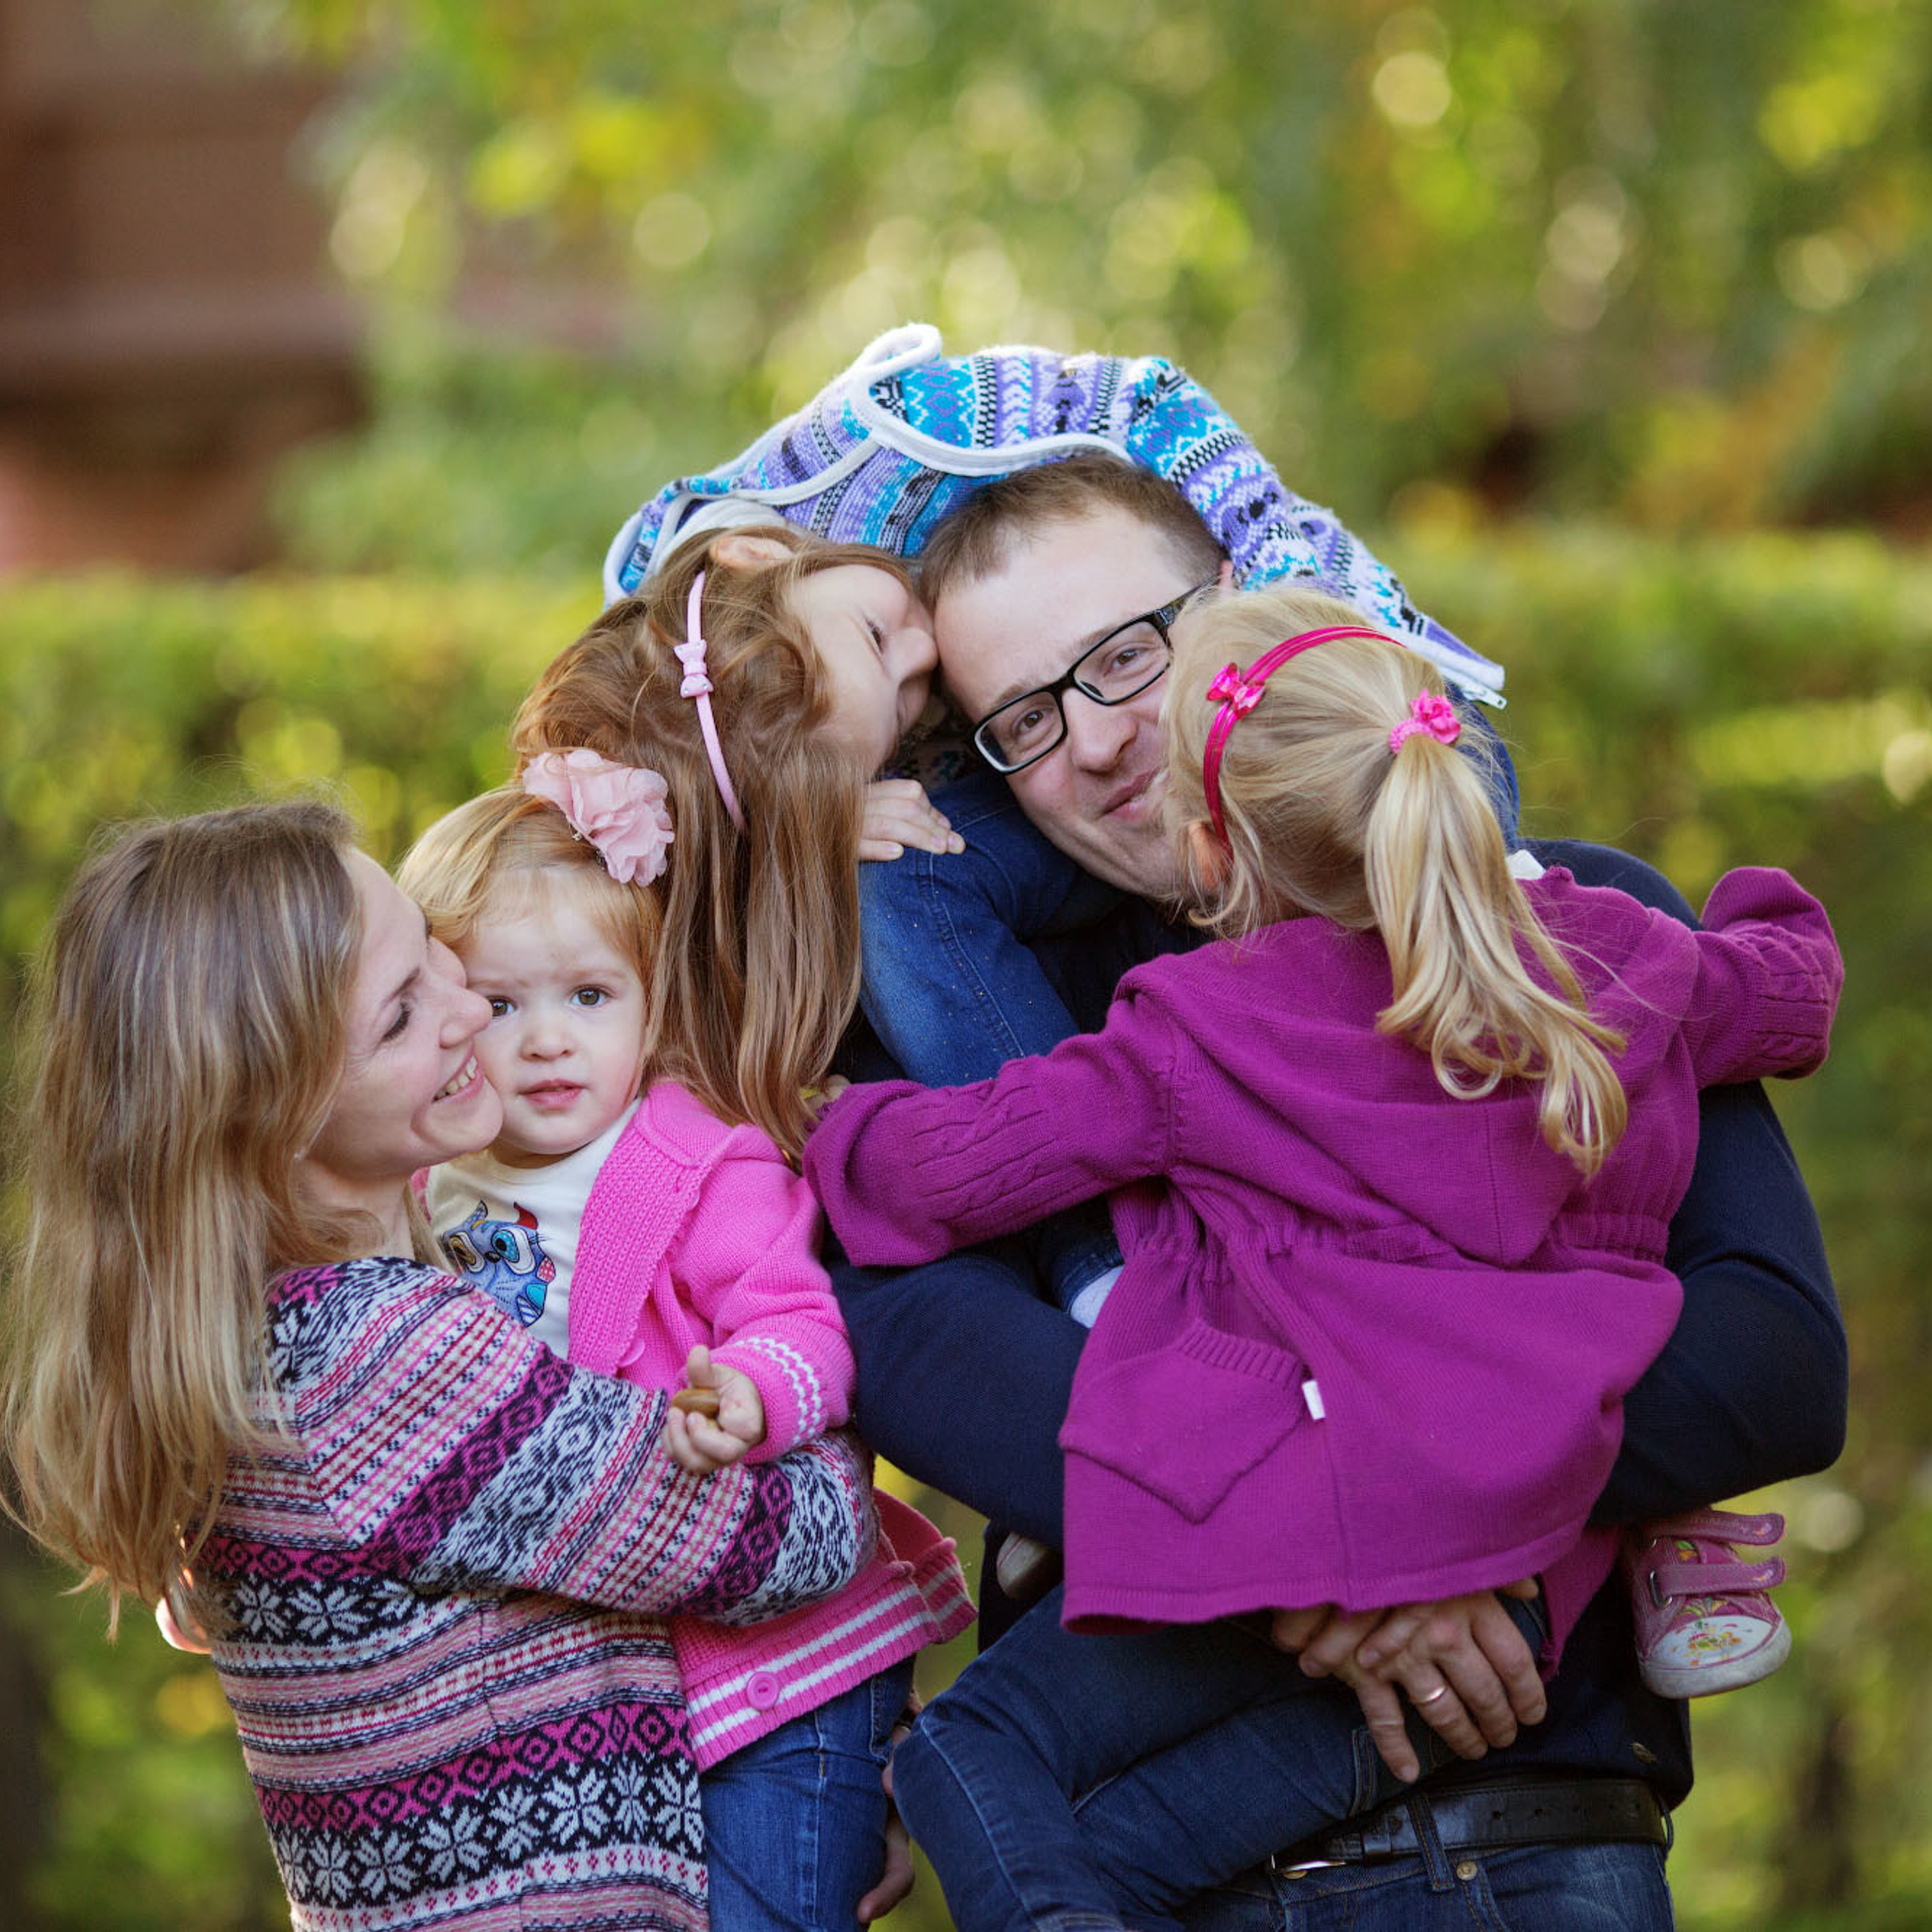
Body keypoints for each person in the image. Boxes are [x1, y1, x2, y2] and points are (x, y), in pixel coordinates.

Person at [825, 451, 1845, 1930]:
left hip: (1528, 1840)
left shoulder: (1559, 910)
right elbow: (897, 1329)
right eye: (1025, 719)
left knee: (978, 1769)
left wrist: (1338, 1500)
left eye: (1126, 651)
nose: (1104, 737)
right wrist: (1318, 1551)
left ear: (1243, 607)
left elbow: (1769, 1363)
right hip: (1178, 1866)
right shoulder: (998, 1012)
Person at [0, 798, 883, 1932]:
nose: (475, 1010)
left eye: (433, 954)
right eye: (406, 1012)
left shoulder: (239, 1337)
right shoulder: (384, 1355)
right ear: (279, 1108)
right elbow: (792, 1540)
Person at [395, 766, 973, 1932]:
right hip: (611, 1675)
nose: (548, 1042)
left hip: (785, 1677)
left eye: (591, 997)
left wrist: (753, 1398)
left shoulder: (704, 1163)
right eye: (502, 1007)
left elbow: (803, 1327)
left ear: (653, 1001)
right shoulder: (423, 1185)